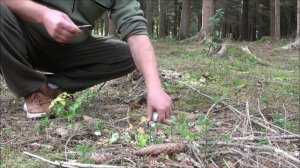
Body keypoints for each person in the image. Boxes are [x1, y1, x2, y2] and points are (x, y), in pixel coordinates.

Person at [0, 0, 172, 122]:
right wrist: (44, 15)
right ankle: (30, 89)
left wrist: (155, 88)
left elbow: (136, 31)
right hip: (20, 38)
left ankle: (49, 88)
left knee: (126, 54)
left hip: (70, 49)